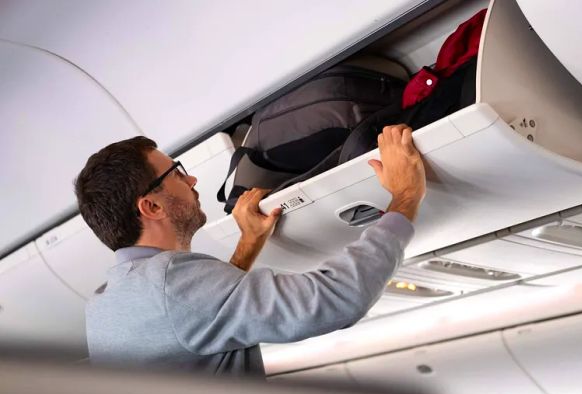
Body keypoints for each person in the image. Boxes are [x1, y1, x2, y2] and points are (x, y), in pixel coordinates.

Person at [74, 125, 426, 376]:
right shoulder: (171, 284)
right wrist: (405, 196)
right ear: (151, 207)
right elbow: (338, 299)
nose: (192, 180)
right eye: (176, 174)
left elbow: (201, 321)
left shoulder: (105, 306)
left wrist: (248, 245)